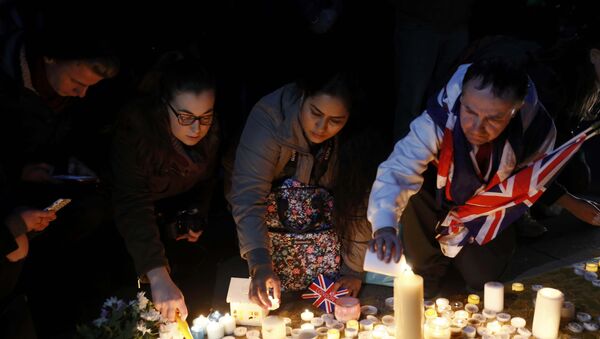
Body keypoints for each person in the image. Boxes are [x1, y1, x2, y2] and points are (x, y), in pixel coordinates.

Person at [367, 58, 558, 297]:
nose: (477, 127)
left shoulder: (537, 132)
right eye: (470, 111)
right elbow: (400, 168)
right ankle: (428, 268)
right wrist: (385, 227)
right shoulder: (439, 117)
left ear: (515, 110)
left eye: (494, 119)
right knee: (413, 195)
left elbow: (532, 183)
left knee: (482, 278)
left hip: (488, 208)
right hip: (438, 195)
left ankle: (465, 255)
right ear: (462, 98)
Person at [228, 65, 380, 309]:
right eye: (315, 113)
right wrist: (259, 262)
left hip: (325, 249)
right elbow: (248, 196)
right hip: (270, 237)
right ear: (301, 96)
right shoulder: (269, 118)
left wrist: (353, 269)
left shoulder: (358, 137)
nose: (321, 127)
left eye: (335, 120)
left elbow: (359, 201)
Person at [112, 56, 220, 322]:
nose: (197, 128)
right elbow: (132, 203)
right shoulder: (135, 135)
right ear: (164, 106)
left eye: (205, 117)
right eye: (185, 117)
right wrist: (157, 273)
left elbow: (209, 179)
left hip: (172, 227)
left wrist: (197, 212)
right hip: (130, 235)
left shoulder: (212, 134)